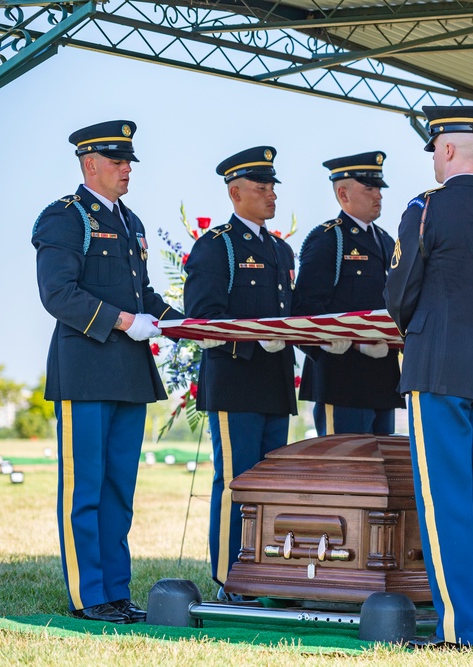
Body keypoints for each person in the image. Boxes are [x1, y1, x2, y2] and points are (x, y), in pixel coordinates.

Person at [32, 120, 180, 623]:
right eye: (117, 161)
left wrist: (189, 324)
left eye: (129, 162)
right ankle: (88, 595)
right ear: (89, 163)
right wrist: (123, 322)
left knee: (119, 490)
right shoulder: (64, 218)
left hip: (128, 374)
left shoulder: (131, 222)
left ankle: (116, 590)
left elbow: (145, 298)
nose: (126, 169)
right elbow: (59, 295)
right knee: (85, 489)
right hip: (87, 370)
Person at [385, 105, 473, 648]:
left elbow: (400, 292)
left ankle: (459, 629)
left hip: (437, 366)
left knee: (444, 501)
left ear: (444, 150)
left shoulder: (425, 209)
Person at [183, 146, 298, 595]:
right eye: (261, 186)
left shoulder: (280, 249)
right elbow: (201, 318)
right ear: (235, 192)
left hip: (274, 384)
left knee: (270, 487)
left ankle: (263, 571)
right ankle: (231, 578)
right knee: (237, 483)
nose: (271, 194)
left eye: (272, 186)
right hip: (235, 381)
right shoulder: (218, 246)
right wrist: (249, 338)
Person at [294, 151, 403, 435]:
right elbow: (306, 308)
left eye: (379, 188)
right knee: (342, 472)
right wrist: (355, 343)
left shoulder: (386, 240)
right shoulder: (329, 239)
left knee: (383, 474)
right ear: (343, 194)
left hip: (382, 380)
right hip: (341, 381)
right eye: (369, 188)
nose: (378, 195)